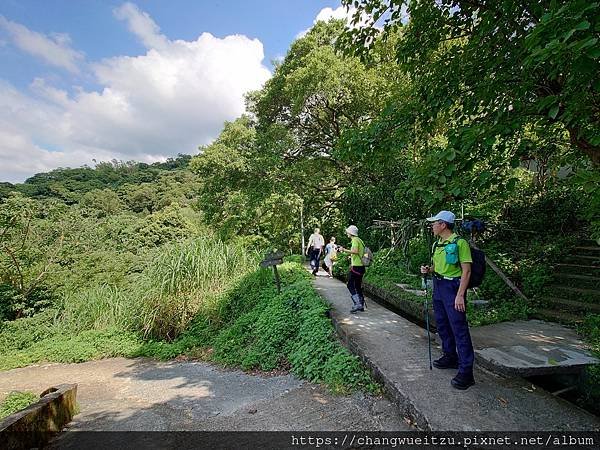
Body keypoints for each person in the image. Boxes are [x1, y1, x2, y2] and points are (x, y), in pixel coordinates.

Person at [420, 210, 475, 390]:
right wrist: (429, 269)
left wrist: (460, 295)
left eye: (434, 223)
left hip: (454, 288)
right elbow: (437, 266)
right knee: (443, 324)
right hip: (439, 286)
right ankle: (450, 356)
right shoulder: (438, 244)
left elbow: (466, 271)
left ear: (443, 224)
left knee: (459, 328)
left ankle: (466, 372)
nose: (432, 226)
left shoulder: (460, 243)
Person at [338, 225, 366, 313]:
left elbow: (355, 251)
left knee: (350, 284)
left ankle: (357, 304)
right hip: (361, 266)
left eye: (348, 232)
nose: (347, 233)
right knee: (357, 285)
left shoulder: (354, 240)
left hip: (357, 267)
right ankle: (361, 304)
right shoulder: (360, 240)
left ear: (351, 233)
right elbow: (357, 253)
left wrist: (343, 249)